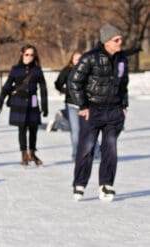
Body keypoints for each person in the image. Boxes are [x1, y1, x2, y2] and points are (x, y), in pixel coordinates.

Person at [68, 24, 128, 202]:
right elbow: (73, 82)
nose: (120, 42)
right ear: (106, 41)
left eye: (120, 39)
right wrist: (83, 106)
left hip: (114, 111)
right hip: (93, 111)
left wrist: (124, 105)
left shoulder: (122, 59)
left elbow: (123, 83)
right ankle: (79, 184)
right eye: (116, 40)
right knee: (86, 148)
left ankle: (106, 185)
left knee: (111, 148)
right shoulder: (90, 58)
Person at [0, 44, 48, 166]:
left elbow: (43, 88)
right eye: (27, 54)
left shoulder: (37, 70)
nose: (29, 57)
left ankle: (32, 152)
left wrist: (45, 106)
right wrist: (0, 101)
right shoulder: (15, 69)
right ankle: (24, 153)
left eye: (32, 55)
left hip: (33, 101)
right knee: (22, 129)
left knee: (34, 129)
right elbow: (7, 86)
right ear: (22, 54)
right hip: (19, 101)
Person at [53, 51, 101, 161]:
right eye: (76, 59)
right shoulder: (67, 71)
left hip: (88, 105)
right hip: (72, 105)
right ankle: (76, 155)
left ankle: (97, 153)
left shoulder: (90, 70)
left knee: (91, 130)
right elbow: (58, 84)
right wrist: (66, 91)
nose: (78, 62)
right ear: (72, 60)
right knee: (76, 132)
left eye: (81, 59)